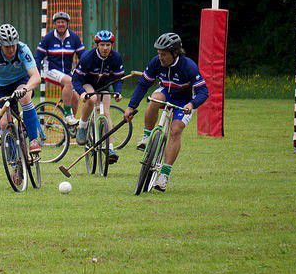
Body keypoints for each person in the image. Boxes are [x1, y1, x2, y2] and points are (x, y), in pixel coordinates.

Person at [124, 32, 209, 192]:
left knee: (175, 131)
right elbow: (143, 84)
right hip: (166, 92)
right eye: (159, 54)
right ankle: (147, 136)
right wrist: (131, 107)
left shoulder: (188, 66)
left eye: (164, 54)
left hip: (185, 101)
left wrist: (192, 104)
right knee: (154, 99)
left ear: (175, 53)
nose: (160, 57)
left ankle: (164, 174)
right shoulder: (156, 62)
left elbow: (204, 91)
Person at [0, 24, 42, 153]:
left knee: (25, 97)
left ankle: (34, 140)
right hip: (0, 86)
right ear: (0, 45)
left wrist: (26, 88)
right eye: (7, 46)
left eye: (13, 45)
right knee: (4, 124)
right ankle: (14, 164)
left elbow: (36, 76)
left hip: (20, 81)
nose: (11, 49)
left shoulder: (23, 49)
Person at [72, 30, 124, 164]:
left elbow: (119, 78)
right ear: (97, 45)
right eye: (102, 45)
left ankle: (110, 148)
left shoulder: (116, 57)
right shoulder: (87, 57)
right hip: (88, 84)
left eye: (108, 45)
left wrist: (118, 92)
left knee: (106, 113)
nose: (105, 48)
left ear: (112, 45)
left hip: (104, 86)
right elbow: (76, 79)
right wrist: (82, 93)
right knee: (92, 99)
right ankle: (82, 127)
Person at [35, 12, 85, 125]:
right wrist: (36, 73)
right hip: (50, 71)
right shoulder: (48, 38)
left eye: (63, 22)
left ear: (67, 24)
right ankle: (68, 114)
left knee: (76, 97)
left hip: (67, 72)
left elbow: (83, 56)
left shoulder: (74, 38)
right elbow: (38, 56)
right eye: (58, 22)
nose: (61, 24)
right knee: (68, 81)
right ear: (54, 24)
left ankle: (69, 124)